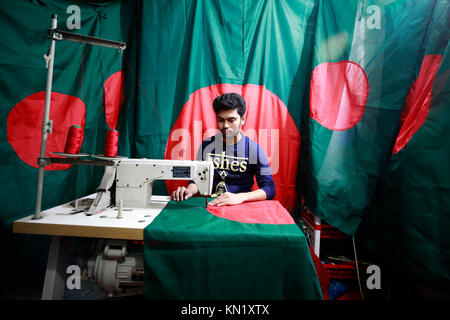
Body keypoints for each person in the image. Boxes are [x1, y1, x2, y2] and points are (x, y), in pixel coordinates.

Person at [171, 93, 275, 206]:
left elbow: (269, 188)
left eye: (231, 120)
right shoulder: (206, 146)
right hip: (211, 206)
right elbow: (197, 180)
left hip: (239, 209)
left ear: (243, 119)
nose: (225, 125)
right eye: (220, 120)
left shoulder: (254, 150)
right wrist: (188, 191)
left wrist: (240, 197)